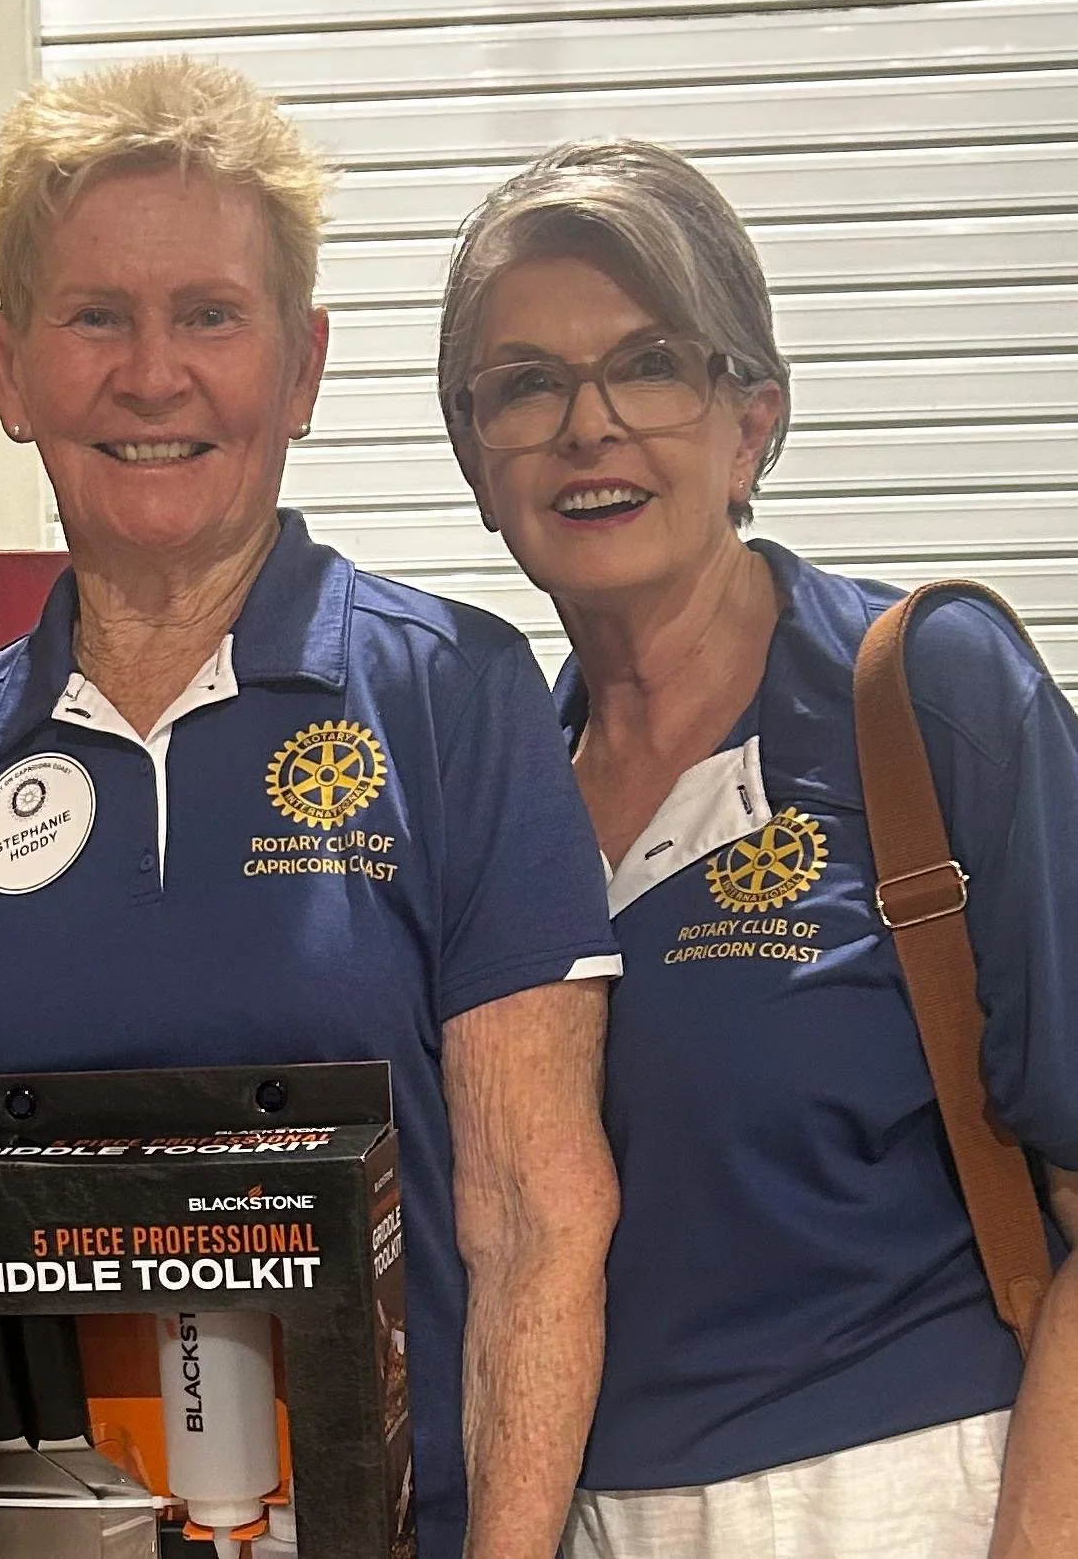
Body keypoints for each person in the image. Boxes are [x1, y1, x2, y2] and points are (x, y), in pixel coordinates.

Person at [0, 58, 622, 1559]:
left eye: (208, 315)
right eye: (93, 316)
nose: (151, 374)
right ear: (6, 368)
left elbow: (534, 1214)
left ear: (301, 369)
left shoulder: (453, 699)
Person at [438, 136, 1078, 1559]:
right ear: (478, 464)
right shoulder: (493, 788)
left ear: (752, 423)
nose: (586, 426)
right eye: (525, 384)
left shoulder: (925, 691)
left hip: (899, 1491)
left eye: (651, 362)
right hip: (573, 1509)